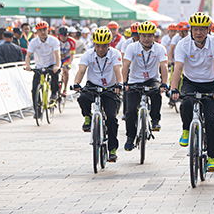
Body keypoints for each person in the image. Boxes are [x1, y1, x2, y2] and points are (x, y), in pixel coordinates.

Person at [170, 12, 214, 172]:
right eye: (195, 29)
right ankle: (186, 129)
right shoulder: (183, 44)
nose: (198, 33)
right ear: (191, 30)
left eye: (202, 29)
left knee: (211, 120)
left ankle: (212, 158)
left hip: (210, 84)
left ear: (208, 30)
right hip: (191, 82)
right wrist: (174, 88)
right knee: (186, 104)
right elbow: (178, 68)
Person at [72, 27, 122, 162]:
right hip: (93, 86)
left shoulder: (115, 54)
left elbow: (118, 70)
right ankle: (87, 117)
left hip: (110, 88)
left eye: (104, 46)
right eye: (98, 45)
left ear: (109, 44)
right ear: (94, 44)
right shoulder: (88, 54)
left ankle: (112, 149)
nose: (101, 49)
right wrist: (76, 83)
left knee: (111, 118)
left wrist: (119, 83)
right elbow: (81, 70)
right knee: (82, 97)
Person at [122, 21, 168, 150]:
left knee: (156, 93)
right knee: (130, 111)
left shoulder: (160, 48)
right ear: (139, 36)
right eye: (143, 36)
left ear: (154, 36)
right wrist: (124, 83)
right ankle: (130, 137)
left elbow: (164, 66)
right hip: (134, 81)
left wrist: (164, 83)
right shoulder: (132, 47)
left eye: (149, 36)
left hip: (152, 79)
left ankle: (155, 120)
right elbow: (125, 64)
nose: (146, 39)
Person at [24, 21, 61, 108]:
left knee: (55, 74)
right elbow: (28, 55)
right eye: (40, 30)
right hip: (40, 65)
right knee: (34, 88)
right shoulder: (33, 42)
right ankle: (36, 109)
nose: (43, 32)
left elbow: (57, 54)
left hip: (52, 63)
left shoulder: (54, 40)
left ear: (48, 30)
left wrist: (57, 66)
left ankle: (54, 93)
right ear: (37, 32)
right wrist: (27, 65)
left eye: (44, 30)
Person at [58, 25, 76, 96]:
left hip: (66, 58)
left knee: (65, 70)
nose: (63, 36)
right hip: (58, 58)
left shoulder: (72, 41)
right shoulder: (56, 40)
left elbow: (72, 55)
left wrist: (69, 64)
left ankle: (65, 89)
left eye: (65, 34)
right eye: (61, 35)